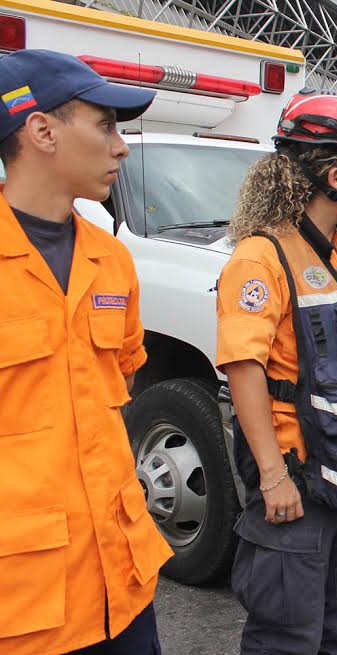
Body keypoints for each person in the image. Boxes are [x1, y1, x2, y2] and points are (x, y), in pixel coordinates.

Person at [217, 92, 337, 654]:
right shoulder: (260, 258)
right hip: (297, 481)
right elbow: (244, 369)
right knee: (287, 630)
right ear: (335, 174)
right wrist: (273, 476)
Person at [0, 50, 172, 655]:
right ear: (41, 130)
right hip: (23, 606)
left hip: (121, 583)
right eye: (105, 124)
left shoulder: (112, 259)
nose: (121, 146)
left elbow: (118, 381)